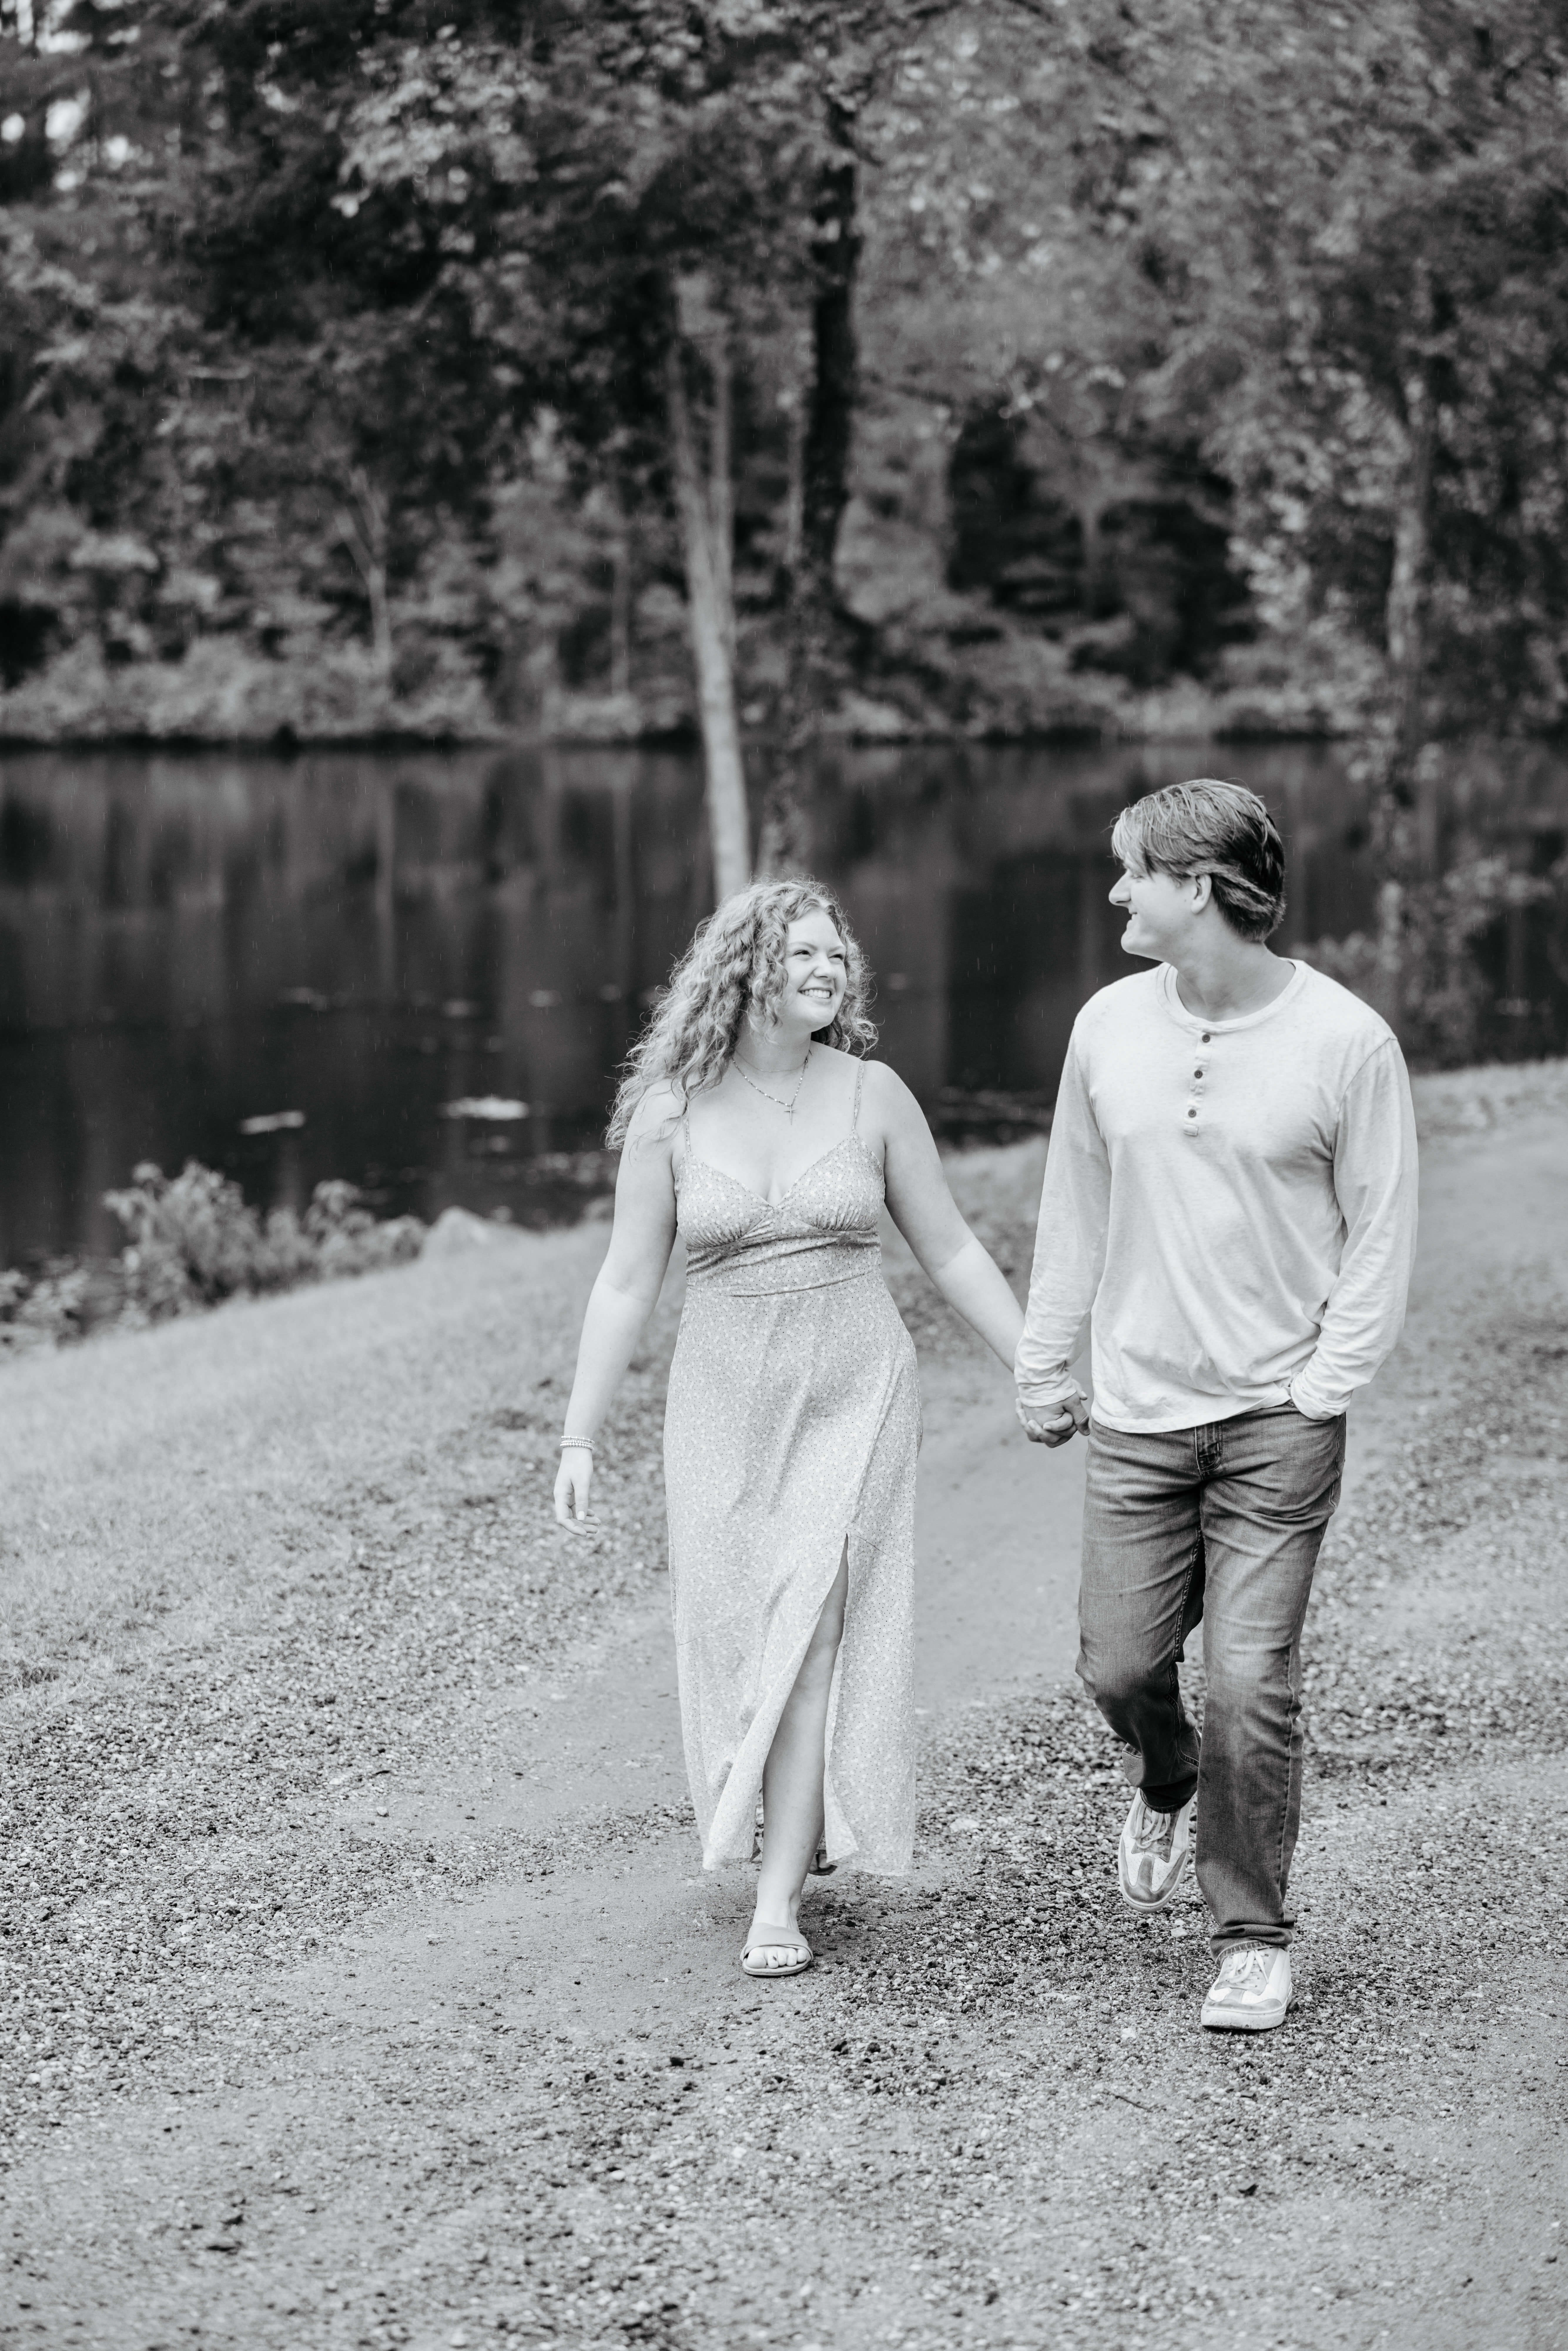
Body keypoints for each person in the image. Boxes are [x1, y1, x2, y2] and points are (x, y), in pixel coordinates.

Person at [554, 877, 1059, 1979]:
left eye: (838, 955)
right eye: (803, 957)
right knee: (737, 1627)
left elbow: (955, 1251)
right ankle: (795, 1807)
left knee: (816, 1622)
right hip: (723, 1398)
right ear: (746, 973)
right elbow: (627, 1283)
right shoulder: (673, 1115)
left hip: (855, 1384)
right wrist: (580, 1436)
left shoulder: (874, 1095)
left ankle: (777, 1897)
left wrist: (1036, 1366)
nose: (829, 971)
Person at [1016, 779, 1418, 2032]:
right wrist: (1045, 1357)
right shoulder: (1105, 1025)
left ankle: (1249, 1931)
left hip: (1272, 1419)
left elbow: (1379, 1233)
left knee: (1251, 1675)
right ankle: (1165, 1768)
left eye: (1133, 871)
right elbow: (1072, 1204)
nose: (1115, 890)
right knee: (1118, 1660)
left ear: (1198, 885)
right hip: (1136, 1411)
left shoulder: (1344, 1042)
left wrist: (1317, 1388)